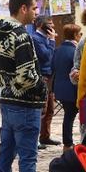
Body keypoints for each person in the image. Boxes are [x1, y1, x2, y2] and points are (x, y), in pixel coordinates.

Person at [0, 0, 47, 172]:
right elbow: (26, 77)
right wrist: (40, 88)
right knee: (28, 156)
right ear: (23, 8)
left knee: (6, 152)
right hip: (25, 105)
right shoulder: (22, 36)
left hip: (7, 102)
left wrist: (10, 88)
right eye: (34, 8)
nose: (36, 13)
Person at [28, 16, 60, 148]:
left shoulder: (45, 38)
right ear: (41, 25)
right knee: (42, 109)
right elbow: (46, 56)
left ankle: (45, 136)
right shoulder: (35, 38)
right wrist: (52, 41)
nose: (52, 27)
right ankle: (34, 140)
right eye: (50, 24)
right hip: (42, 76)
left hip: (50, 76)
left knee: (50, 109)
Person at [51, 23, 81, 150]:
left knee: (68, 115)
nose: (81, 36)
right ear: (75, 35)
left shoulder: (57, 49)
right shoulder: (75, 50)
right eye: (80, 34)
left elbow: (53, 67)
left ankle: (67, 143)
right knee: (70, 116)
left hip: (59, 88)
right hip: (71, 89)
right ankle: (68, 143)